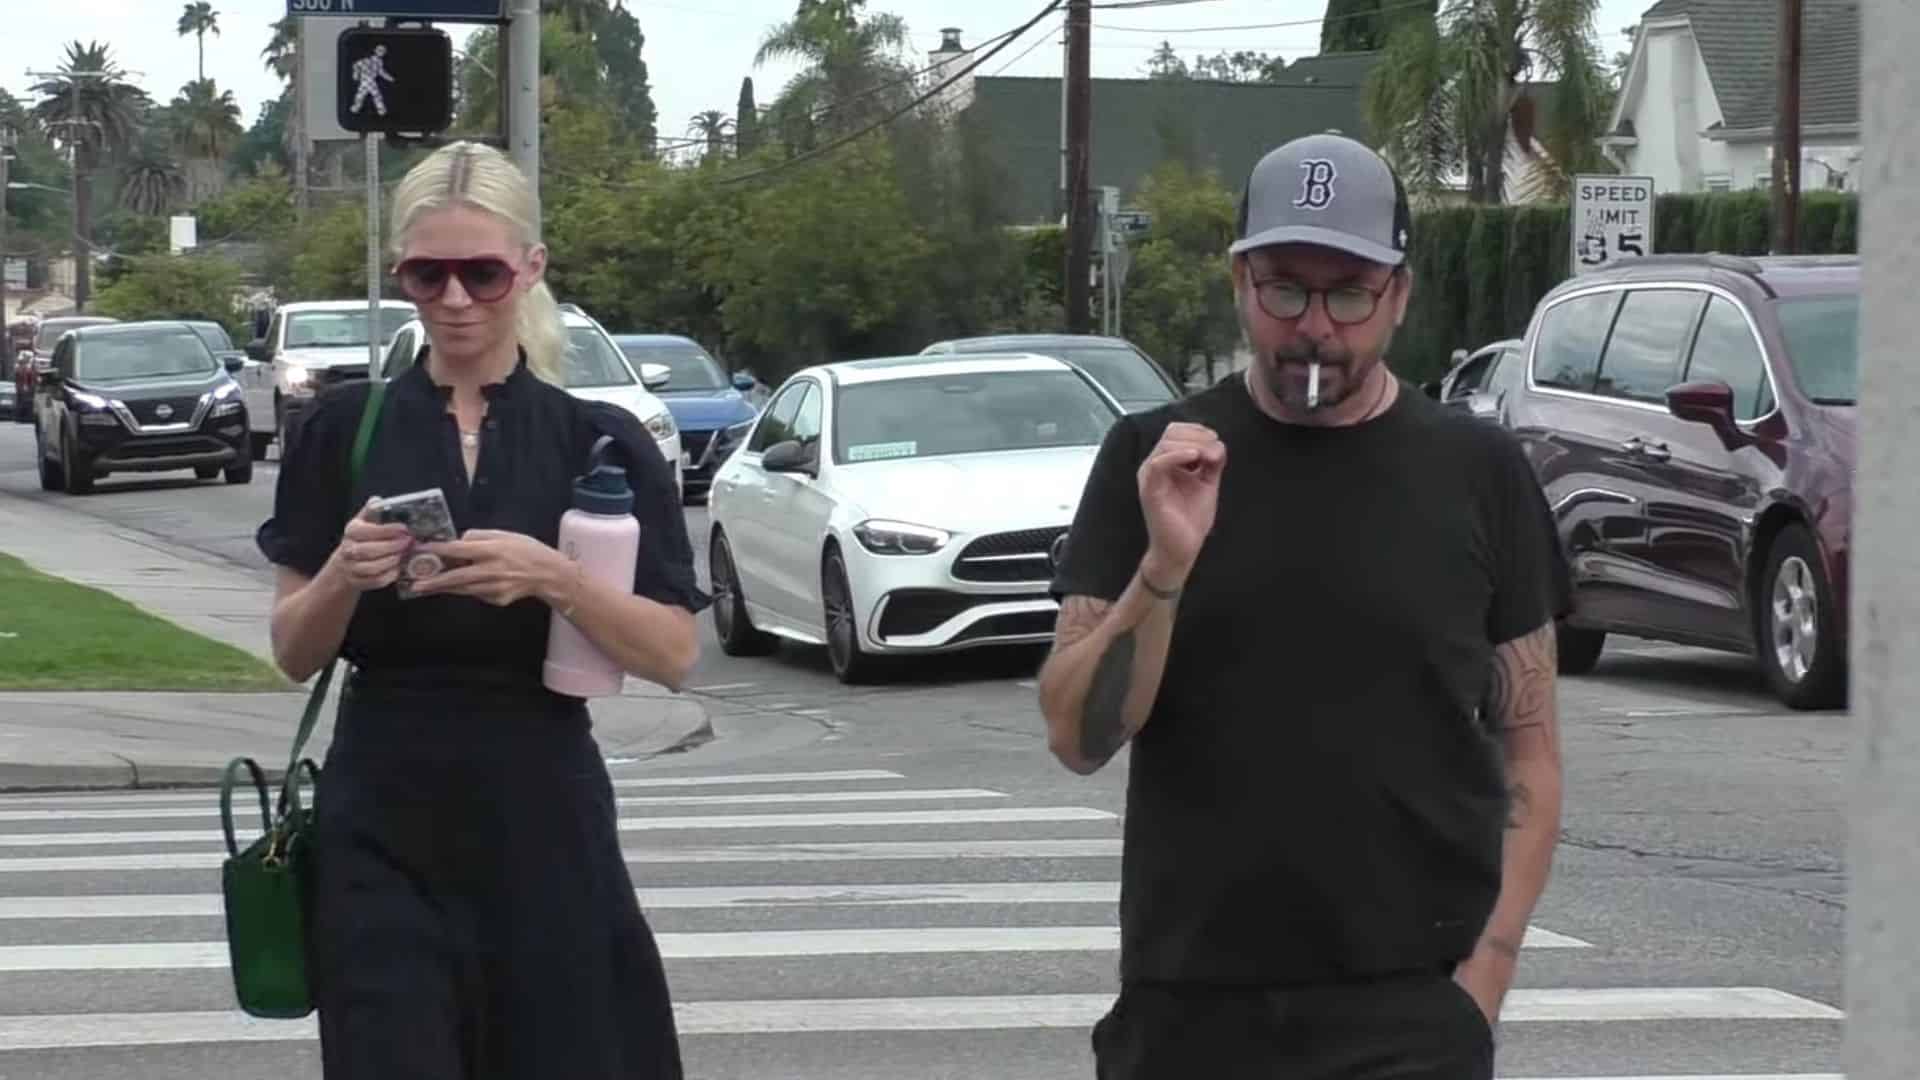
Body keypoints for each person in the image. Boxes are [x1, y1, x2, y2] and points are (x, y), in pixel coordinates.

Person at [1038, 132, 1569, 1079]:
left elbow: (1528, 745)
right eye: (1285, 288)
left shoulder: (1477, 471)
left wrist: (1484, 976)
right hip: (1190, 1005)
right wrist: (1164, 566)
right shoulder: (1151, 457)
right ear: (1241, 281)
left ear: (1398, 296)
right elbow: (1079, 739)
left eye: (1350, 293)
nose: (1316, 327)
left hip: (1412, 1007)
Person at [256, 140, 705, 1079]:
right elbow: (295, 653)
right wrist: (343, 569)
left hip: (540, 799)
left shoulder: (602, 441)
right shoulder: (345, 427)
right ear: (400, 275)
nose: (455, 299)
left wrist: (556, 579)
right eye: (430, 273)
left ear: (531, 269)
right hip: (383, 803)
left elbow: (672, 655)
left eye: (483, 273)